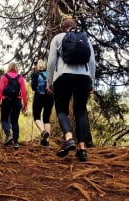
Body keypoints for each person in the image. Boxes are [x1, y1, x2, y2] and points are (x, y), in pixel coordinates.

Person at [47, 18, 96, 161]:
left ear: (63, 28)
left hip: (63, 77)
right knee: (80, 111)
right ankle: (82, 149)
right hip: (83, 78)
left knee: (61, 109)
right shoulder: (84, 38)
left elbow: (51, 62)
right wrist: (91, 82)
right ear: (75, 26)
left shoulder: (57, 38)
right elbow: (92, 62)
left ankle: (69, 138)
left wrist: (49, 82)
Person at [0, 62, 28, 149]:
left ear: (9, 68)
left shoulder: (4, 77)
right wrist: (25, 105)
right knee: (15, 121)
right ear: (16, 68)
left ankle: (8, 134)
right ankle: (16, 143)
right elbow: (24, 92)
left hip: (6, 100)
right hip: (17, 101)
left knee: (4, 119)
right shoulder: (20, 77)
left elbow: (1, 90)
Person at [31, 59, 54, 146]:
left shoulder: (35, 74)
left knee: (36, 116)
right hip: (50, 97)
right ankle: (46, 142)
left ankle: (43, 131)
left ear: (36, 66)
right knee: (46, 118)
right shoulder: (49, 73)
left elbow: (33, 87)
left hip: (39, 97)